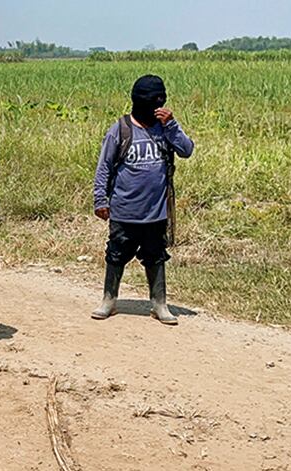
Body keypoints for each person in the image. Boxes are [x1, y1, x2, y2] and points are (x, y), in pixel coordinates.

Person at [91, 75, 194, 325]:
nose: (156, 108)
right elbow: (104, 166)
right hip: (124, 210)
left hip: (156, 212)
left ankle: (159, 304)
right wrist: (100, 200)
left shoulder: (165, 128)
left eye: (161, 101)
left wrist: (172, 125)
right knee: (116, 254)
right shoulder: (121, 129)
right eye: (152, 102)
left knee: (156, 256)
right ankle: (109, 300)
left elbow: (186, 150)